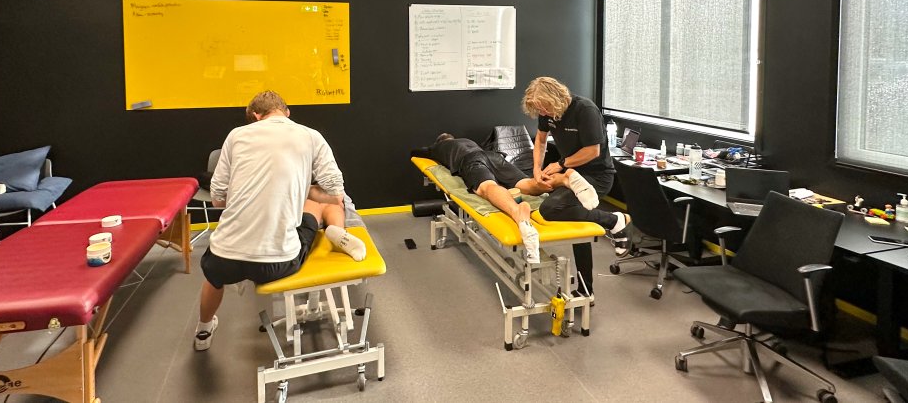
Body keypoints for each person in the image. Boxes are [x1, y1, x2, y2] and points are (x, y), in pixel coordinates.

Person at [193, 90, 366, 351]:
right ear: (287, 112)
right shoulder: (310, 135)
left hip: (225, 257)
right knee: (320, 204)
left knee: (214, 276)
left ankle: (203, 331)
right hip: (277, 262)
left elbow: (217, 200)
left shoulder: (236, 135)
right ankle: (336, 230)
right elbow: (335, 193)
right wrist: (302, 190)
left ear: (255, 116)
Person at [411, 133, 600, 264]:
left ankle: (518, 212)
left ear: (442, 141)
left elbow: (416, 151)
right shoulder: (468, 140)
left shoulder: (440, 146)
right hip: (494, 156)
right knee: (526, 184)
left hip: (471, 162)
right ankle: (564, 178)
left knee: (487, 188)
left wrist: (433, 150)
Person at [522, 76, 631, 295]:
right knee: (577, 223)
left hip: (597, 176)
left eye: (544, 107)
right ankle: (585, 290)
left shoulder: (585, 110)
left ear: (555, 97)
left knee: (550, 209)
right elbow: (541, 140)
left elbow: (593, 151)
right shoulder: (546, 112)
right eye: (539, 110)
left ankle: (613, 220)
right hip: (571, 174)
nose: (542, 113)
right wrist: (536, 169)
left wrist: (561, 164)